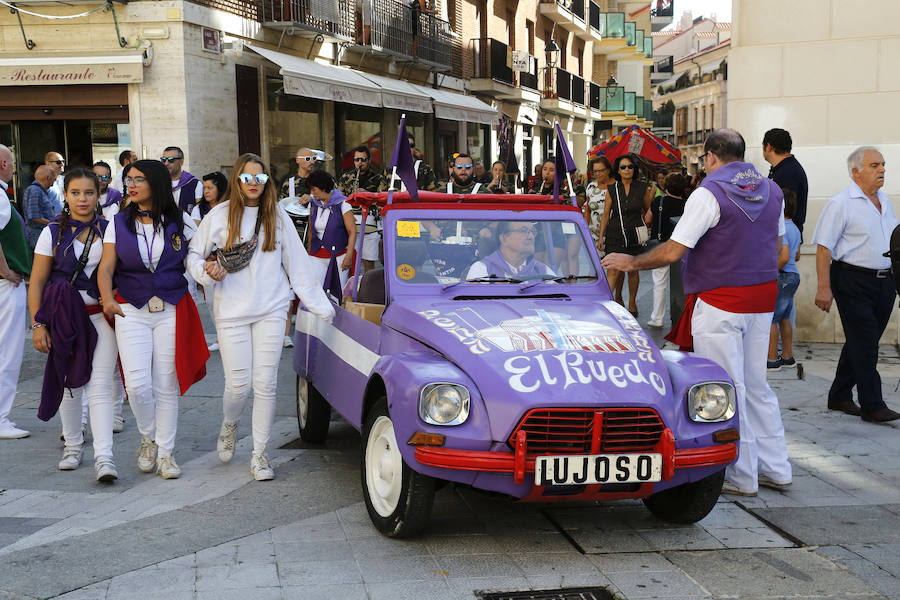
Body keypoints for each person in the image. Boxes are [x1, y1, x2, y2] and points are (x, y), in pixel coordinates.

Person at [602, 129, 792, 497]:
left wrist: (632, 261)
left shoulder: (708, 193)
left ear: (709, 157)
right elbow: (779, 246)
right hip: (762, 296)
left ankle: (741, 474)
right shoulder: (773, 190)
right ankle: (777, 468)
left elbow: (673, 252)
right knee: (757, 385)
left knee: (726, 385)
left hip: (721, 297)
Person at [188, 153, 335, 481]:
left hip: (272, 308)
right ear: (237, 180)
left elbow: (297, 264)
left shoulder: (278, 216)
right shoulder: (220, 215)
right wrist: (206, 272)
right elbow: (194, 255)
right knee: (238, 387)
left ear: (267, 181)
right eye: (247, 178)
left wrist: (321, 306)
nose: (253, 184)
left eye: (260, 178)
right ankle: (230, 425)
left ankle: (260, 454)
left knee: (266, 384)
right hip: (231, 312)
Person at [97, 160, 207, 479]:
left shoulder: (181, 221)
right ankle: (149, 437)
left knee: (166, 382)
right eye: (128, 180)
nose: (130, 185)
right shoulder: (115, 222)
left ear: (156, 184)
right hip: (130, 307)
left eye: (138, 180)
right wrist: (106, 298)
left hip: (171, 305)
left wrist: (209, 272)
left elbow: (196, 258)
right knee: (137, 384)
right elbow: (105, 268)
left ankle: (166, 453)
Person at [28, 168, 119, 481]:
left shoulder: (110, 229)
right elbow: (37, 281)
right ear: (65, 195)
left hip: (98, 318)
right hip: (62, 319)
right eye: (76, 193)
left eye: (89, 193)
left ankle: (105, 457)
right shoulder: (51, 232)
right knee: (69, 384)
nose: (83, 199)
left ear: (98, 195)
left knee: (100, 386)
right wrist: (38, 325)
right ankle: (73, 445)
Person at [813, 146, 900, 422]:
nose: (882, 170)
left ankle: (839, 395)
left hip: (885, 281)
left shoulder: (886, 201)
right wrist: (823, 287)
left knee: (863, 340)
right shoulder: (841, 203)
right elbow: (824, 248)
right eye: (874, 165)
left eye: (883, 164)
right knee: (866, 342)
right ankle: (872, 404)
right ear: (856, 172)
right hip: (851, 279)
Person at [0, 144, 31, 439]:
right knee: (7, 352)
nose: (12, 168)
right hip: (5, 283)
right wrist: (5, 270)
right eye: (10, 162)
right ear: (2, 164)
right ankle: (1, 418)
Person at [599, 154, 653, 317]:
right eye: (623, 167)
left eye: (630, 166)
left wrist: (648, 223)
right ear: (618, 170)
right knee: (613, 269)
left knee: (632, 269)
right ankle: (610, 303)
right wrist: (601, 237)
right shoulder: (612, 189)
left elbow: (648, 209)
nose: (627, 169)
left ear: (634, 169)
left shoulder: (642, 188)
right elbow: (606, 214)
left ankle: (632, 302)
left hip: (634, 234)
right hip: (615, 233)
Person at [193, 171, 229, 353]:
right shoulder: (199, 210)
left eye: (210, 187)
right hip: (209, 262)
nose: (206, 191)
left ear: (220, 188)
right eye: (204, 188)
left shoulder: (231, 208)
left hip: (229, 262)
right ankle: (220, 337)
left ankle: (229, 338)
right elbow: (198, 236)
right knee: (212, 303)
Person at [647, 172, 688, 328]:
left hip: (660, 247)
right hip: (680, 247)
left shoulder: (658, 201)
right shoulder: (687, 204)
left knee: (659, 283)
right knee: (681, 284)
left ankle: (657, 318)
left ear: (667, 186)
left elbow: (648, 220)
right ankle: (681, 316)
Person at [306, 170, 356, 296]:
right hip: (317, 254)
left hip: (338, 255)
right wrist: (309, 251)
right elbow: (311, 230)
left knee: (337, 293)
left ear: (323, 188)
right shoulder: (313, 203)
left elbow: (352, 231)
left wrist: (349, 255)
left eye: (314, 189)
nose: (312, 193)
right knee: (315, 291)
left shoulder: (343, 203)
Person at [337, 145, 385, 272]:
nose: (360, 163)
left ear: (369, 160)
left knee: (369, 264)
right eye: (357, 160)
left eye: (363, 160)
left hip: (369, 223)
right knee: (349, 262)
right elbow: (339, 199)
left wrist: (367, 195)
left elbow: (382, 199)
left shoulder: (378, 178)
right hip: (350, 222)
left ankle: (367, 288)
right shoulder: (346, 177)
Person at [768, 189, 801, 371]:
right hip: (793, 276)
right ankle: (787, 356)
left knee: (771, 319)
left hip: (782, 276)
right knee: (785, 318)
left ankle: (772, 359)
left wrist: (771, 271)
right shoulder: (795, 227)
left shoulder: (783, 228)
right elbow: (797, 255)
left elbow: (786, 256)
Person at [467, 221, 555, 280]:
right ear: (504, 238)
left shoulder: (543, 271)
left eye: (533, 231)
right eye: (523, 231)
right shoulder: (482, 270)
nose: (531, 237)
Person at [764, 128, 808, 238]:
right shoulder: (782, 169)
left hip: (785, 241)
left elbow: (785, 211)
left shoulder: (788, 172)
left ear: (768, 147)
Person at [24, 165, 61, 249]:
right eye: (53, 180)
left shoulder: (40, 191)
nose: (52, 185)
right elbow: (34, 217)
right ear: (47, 178)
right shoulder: (35, 190)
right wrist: (54, 223)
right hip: (37, 234)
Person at [161, 146, 202, 215]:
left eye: (171, 160)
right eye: (164, 159)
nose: (166, 163)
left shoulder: (194, 184)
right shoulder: (159, 183)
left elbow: (200, 210)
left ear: (181, 162)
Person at [583, 156, 612, 247]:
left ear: (608, 170)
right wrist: (585, 230)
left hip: (612, 234)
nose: (597, 174)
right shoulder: (591, 187)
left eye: (601, 170)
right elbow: (588, 210)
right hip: (593, 234)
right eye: (595, 171)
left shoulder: (616, 186)